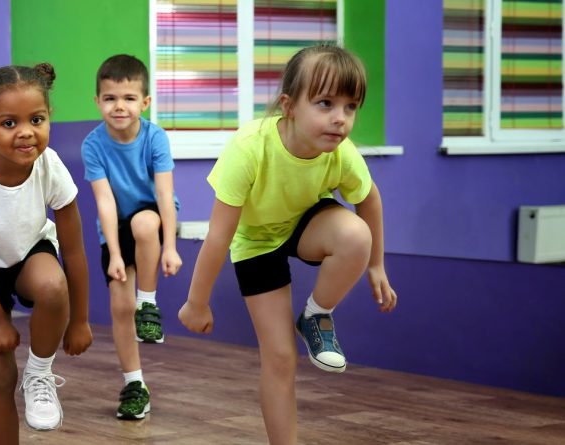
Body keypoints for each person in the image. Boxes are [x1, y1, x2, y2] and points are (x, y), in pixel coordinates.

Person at [177, 44, 399, 444]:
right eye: (326, 103)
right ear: (289, 106)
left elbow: (370, 199)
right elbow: (218, 236)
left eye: (350, 107)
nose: (340, 118)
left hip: (305, 222)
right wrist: (197, 301)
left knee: (355, 234)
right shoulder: (248, 149)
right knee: (280, 358)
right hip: (256, 242)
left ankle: (316, 315)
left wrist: (376, 265)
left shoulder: (341, 154)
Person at [0, 63, 93, 444]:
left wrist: (80, 320)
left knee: (53, 286)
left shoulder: (51, 166)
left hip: (29, 253)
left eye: (36, 119)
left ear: (48, 118)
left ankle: (39, 372)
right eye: (9, 123)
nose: (26, 132)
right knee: (0, 375)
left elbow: (73, 251)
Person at [81, 54, 181, 420]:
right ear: (97, 102)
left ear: (145, 102)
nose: (119, 106)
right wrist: (116, 254)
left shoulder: (155, 138)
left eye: (128, 98)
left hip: (152, 218)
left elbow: (164, 196)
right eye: (110, 98)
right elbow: (104, 201)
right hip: (114, 226)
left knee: (143, 224)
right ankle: (135, 384)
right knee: (119, 308)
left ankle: (149, 303)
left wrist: (169, 245)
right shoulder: (93, 145)